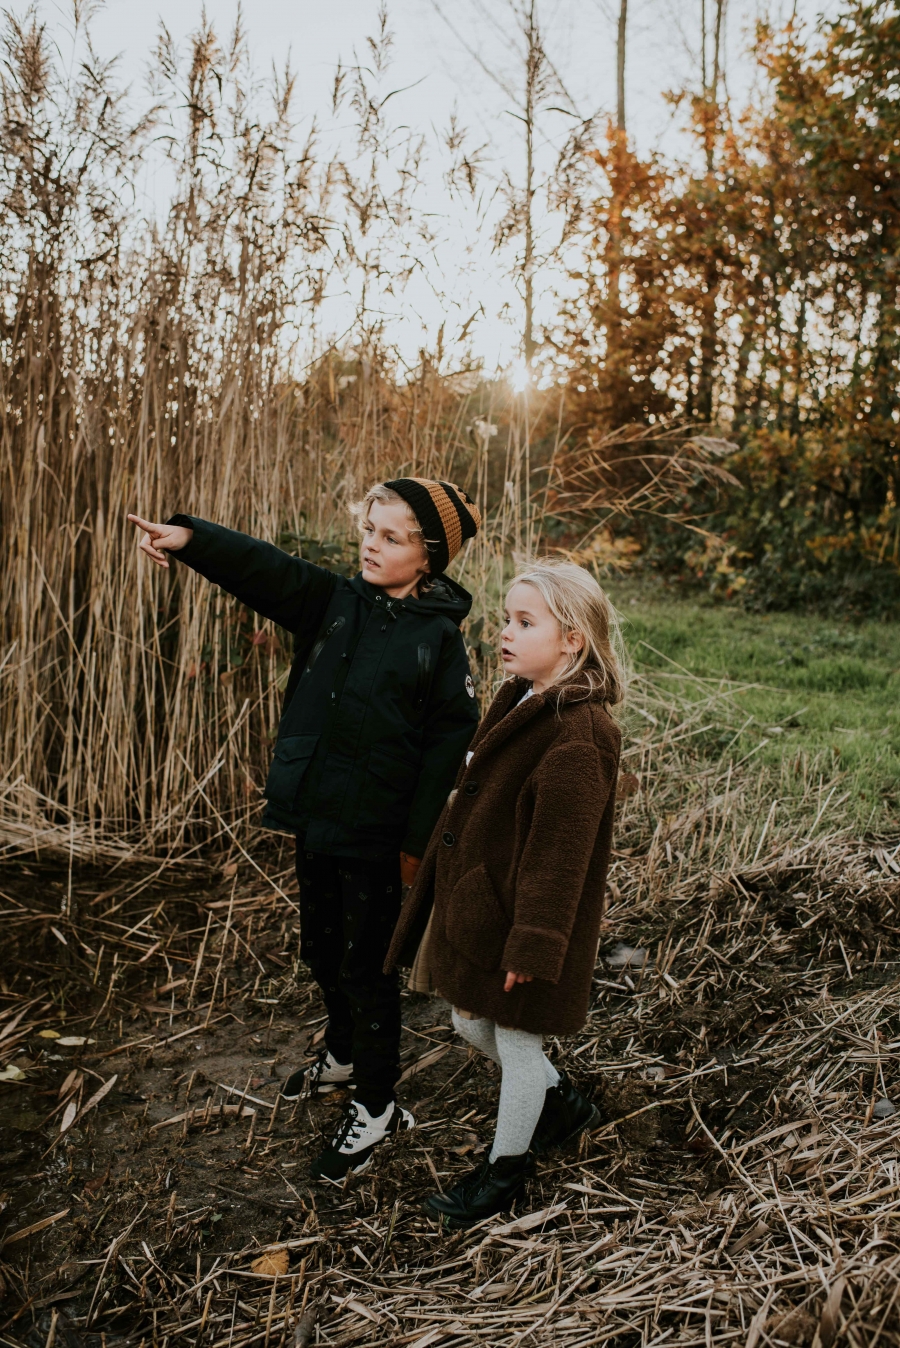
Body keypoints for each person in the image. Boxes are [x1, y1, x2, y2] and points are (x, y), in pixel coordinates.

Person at [128, 478, 481, 1180]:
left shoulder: (438, 642)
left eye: (391, 537)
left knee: (367, 966)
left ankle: (377, 1106)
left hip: (378, 835)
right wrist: (193, 540)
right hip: (319, 815)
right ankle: (344, 1057)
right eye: (369, 530)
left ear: (430, 556)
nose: (370, 546)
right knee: (320, 948)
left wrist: (416, 848)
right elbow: (267, 570)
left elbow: (449, 748)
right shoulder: (336, 603)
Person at [386, 559, 623, 1227]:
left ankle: (503, 1173)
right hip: (490, 902)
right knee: (468, 1018)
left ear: (572, 638)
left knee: (518, 1042)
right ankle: (562, 1106)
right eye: (505, 620)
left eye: (524, 622)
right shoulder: (527, 697)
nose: (504, 634)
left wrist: (536, 941)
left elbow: (559, 856)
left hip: (529, 917)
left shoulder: (580, 735)